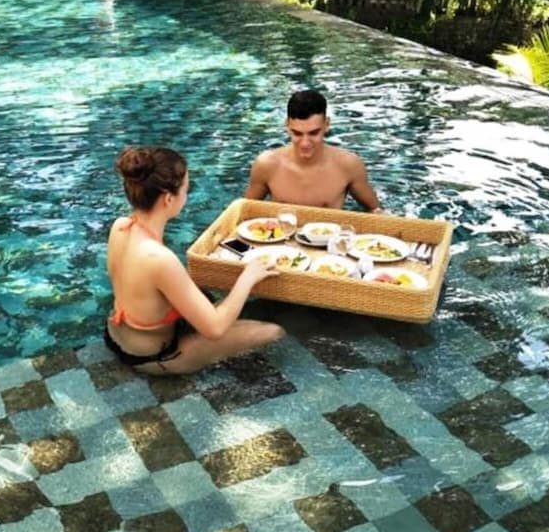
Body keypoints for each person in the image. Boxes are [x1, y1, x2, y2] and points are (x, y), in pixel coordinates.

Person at [105, 146, 285, 374]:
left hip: (116, 335)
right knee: (273, 332)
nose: (186, 196)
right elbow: (215, 329)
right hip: (154, 356)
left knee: (207, 297)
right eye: (186, 189)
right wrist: (248, 278)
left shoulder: (121, 226)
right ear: (168, 199)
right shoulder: (159, 259)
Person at [245, 88, 381, 211]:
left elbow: (375, 212)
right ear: (287, 126)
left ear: (326, 124)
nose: (305, 143)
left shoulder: (348, 165)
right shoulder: (266, 165)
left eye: (314, 133)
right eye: (297, 133)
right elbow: (245, 212)